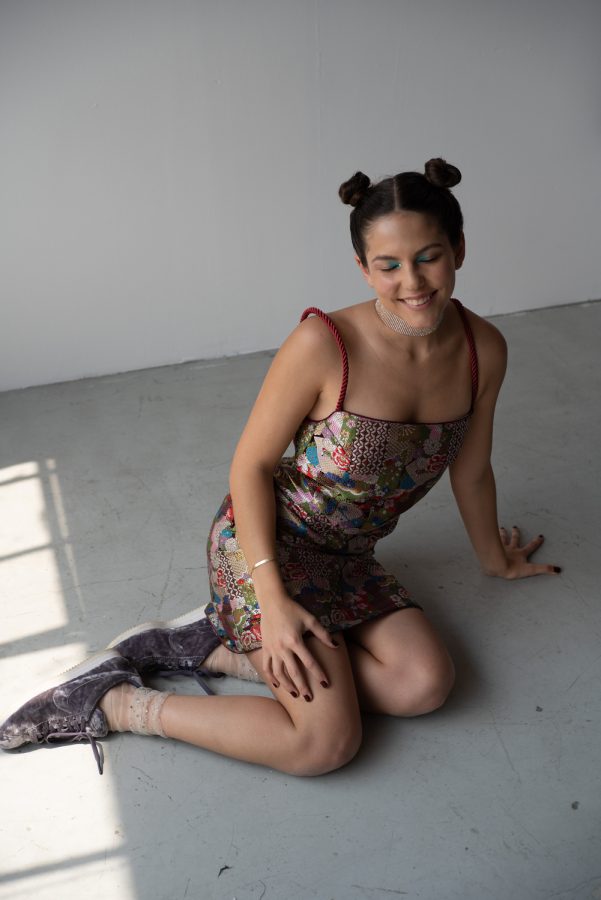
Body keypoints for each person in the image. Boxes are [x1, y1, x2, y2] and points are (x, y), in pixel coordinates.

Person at [0, 158, 560, 777]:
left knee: (423, 684)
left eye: (429, 257)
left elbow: (471, 470)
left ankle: (210, 647)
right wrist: (271, 602)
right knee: (324, 744)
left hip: (348, 557)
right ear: (362, 267)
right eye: (389, 265)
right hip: (263, 545)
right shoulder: (325, 344)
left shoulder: (484, 350)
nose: (412, 281)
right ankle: (112, 701)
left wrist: (495, 559)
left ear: (459, 249)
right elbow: (250, 467)